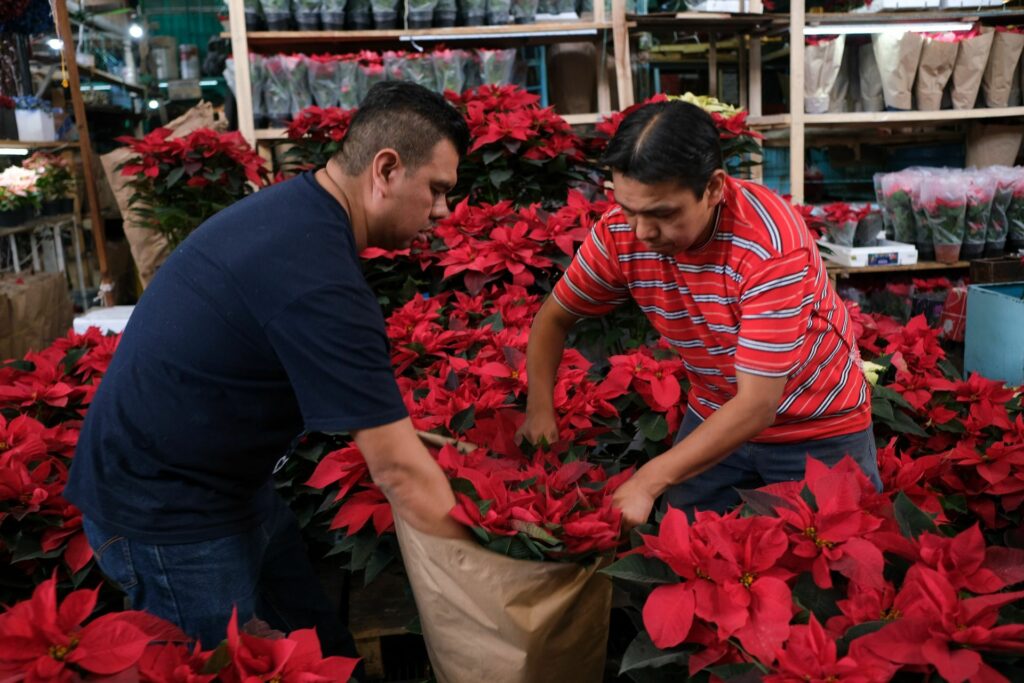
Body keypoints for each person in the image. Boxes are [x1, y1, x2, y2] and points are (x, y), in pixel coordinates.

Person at [65, 82, 470, 654]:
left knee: (319, 649)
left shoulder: (303, 214)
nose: (442, 212)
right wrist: (499, 558)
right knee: (221, 665)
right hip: (168, 511)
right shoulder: (319, 275)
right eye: (436, 190)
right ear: (385, 169)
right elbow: (398, 473)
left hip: (229, 482)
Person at [517, 100, 882, 529]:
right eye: (628, 209)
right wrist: (538, 409)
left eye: (662, 214)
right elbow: (554, 318)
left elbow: (757, 406)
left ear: (713, 189)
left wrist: (648, 481)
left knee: (837, 565)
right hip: (715, 410)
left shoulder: (769, 246)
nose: (642, 233)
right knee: (684, 556)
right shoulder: (622, 231)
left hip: (815, 426)